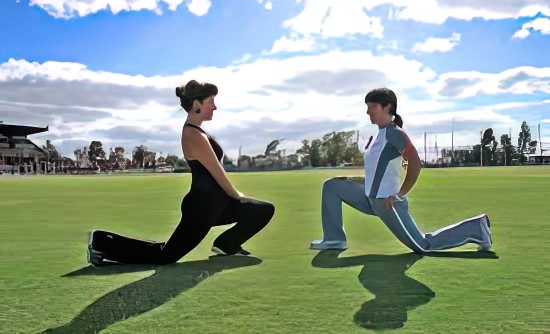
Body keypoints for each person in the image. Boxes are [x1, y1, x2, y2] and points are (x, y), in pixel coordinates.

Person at [87, 80, 275, 266]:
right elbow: (217, 172)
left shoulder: (199, 133)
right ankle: (102, 242)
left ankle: (226, 244)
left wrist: (235, 198)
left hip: (218, 204)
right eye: (211, 102)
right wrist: (237, 195)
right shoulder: (193, 135)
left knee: (263, 210)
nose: (215, 107)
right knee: (165, 256)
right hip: (202, 208)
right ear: (197, 104)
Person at [310, 88, 493, 254]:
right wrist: (351, 179)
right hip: (369, 198)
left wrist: (399, 195)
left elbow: (415, 164)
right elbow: (375, 173)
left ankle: (477, 228)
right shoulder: (378, 136)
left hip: (387, 203)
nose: (368, 112)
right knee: (332, 186)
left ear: (387, 107)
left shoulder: (395, 133)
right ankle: (334, 239)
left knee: (423, 246)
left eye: (372, 107)